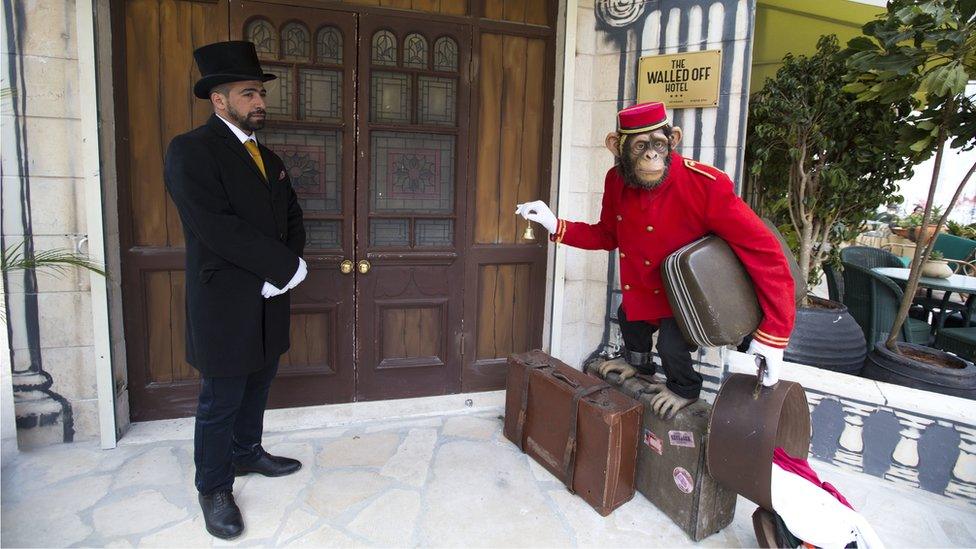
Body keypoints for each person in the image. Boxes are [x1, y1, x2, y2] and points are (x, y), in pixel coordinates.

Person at [516, 101, 795, 419]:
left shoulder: (705, 184)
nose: (651, 156)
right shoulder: (617, 181)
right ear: (616, 147)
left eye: (658, 145)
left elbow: (765, 253)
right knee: (628, 317)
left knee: (671, 347)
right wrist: (556, 225)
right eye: (640, 147)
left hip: (686, 299)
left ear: (673, 140)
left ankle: (684, 388)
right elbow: (608, 235)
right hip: (642, 294)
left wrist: (773, 335)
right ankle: (636, 362)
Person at [164, 41, 307, 540]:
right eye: (249, 94)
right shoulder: (191, 151)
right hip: (225, 299)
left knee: (259, 381)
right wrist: (280, 266)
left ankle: (248, 453)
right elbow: (215, 227)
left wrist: (286, 270)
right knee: (221, 397)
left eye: (260, 93)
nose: (259, 102)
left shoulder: (267, 156)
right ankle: (213, 486)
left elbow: (291, 215)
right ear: (218, 100)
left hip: (270, 297)